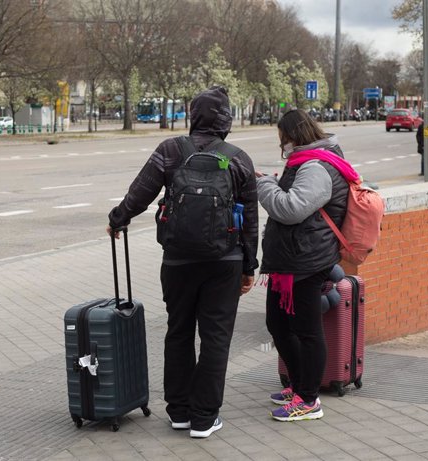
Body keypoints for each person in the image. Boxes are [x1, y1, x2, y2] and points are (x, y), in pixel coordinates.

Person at [106, 86, 259, 438]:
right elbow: (250, 220)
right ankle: (205, 418)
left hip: (177, 261)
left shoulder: (170, 150)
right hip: (225, 262)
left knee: (178, 332)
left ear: (194, 116)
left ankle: (179, 411)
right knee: (215, 338)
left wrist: (118, 219)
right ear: (226, 121)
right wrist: (249, 267)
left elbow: (140, 192)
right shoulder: (238, 158)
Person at [256, 109, 355, 422]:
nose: (281, 145)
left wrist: (265, 186)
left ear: (292, 136)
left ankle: (309, 400)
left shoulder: (316, 166)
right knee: (278, 324)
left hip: (308, 261)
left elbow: (291, 208)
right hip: (291, 261)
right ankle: (299, 386)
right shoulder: (307, 161)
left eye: (282, 138)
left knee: (308, 332)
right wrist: (273, 183)